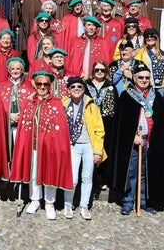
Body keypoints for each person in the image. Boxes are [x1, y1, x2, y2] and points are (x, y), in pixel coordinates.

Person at [108, 63, 164, 215]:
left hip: (151, 140)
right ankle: (129, 201)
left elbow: (161, 121)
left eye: (147, 78)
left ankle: (144, 200)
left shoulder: (156, 97)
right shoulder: (126, 95)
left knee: (147, 172)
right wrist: (132, 136)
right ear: (134, 78)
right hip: (134, 142)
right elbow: (121, 123)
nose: (144, 80)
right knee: (131, 172)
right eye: (141, 77)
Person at [10, 71, 73, 220]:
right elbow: (23, 126)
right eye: (39, 84)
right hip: (33, 147)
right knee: (33, 174)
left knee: (49, 172)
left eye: (46, 84)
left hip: (50, 147)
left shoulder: (56, 102)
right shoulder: (28, 102)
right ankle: (35, 200)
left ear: (50, 85)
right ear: (34, 85)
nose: (42, 87)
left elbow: (61, 128)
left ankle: (49, 203)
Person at [62, 76, 106, 220]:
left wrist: (98, 151)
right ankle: (68, 204)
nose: (76, 89)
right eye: (73, 87)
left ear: (83, 89)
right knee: (73, 178)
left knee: (87, 177)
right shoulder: (63, 105)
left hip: (88, 145)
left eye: (79, 87)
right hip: (71, 145)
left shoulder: (91, 106)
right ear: (68, 89)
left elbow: (99, 129)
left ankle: (84, 206)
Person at [85, 60, 118, 198]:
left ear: (106, 72)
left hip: (107, 123)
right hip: (90, 122)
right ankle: (90, 181)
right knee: (90, 151)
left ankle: (102, 179)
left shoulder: (111, 86)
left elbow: (116, 106)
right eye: (97, 70)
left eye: (102, 70)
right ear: (93, 71)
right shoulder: (86, 85)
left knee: (105, 151)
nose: (99, 72)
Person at [0, 57, 32, 156]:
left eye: (18, 69)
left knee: (21, 152)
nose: (15, 71)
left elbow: (31, 105)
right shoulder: (1, 86)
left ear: (22, 70)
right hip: (6, 125)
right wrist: (8, 115)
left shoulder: (29, 85)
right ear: (9, 70)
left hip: (22, 124)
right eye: (12, 69)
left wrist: (21, 116)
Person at [133, 28, 164, 96]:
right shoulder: (141, 52)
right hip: (148, 86)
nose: (150, 38)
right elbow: (135, 66)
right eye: (147, 37)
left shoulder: (163, 52)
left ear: (156, 37)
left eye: (152, 36)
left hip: (162, 87)